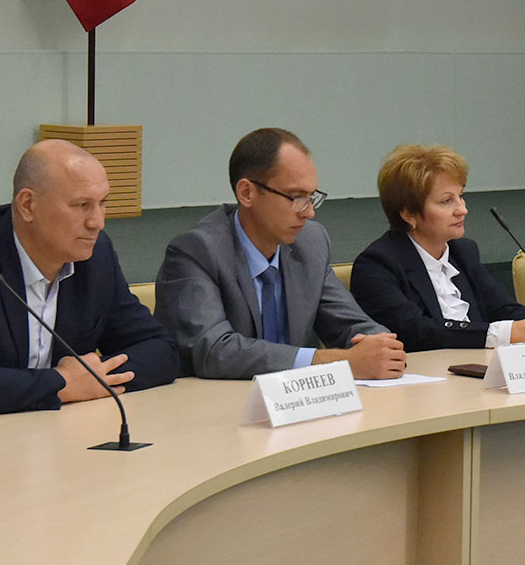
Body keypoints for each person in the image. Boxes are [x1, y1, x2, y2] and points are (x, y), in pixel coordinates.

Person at [0, 140, 176, 426]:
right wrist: (62, 384)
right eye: (82, 205)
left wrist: (91, 380)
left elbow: (160, 349)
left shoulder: (95, 257)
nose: (97, 222)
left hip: (47, 432)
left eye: (102, 203)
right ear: (28, 205)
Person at [156, 128, 405, 379]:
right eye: (296, 197)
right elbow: (214, 351)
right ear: (247, 193)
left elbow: (350, 324)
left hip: (298, 398)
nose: (309, 212)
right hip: (213, 399)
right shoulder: (197, 251)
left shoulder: (311, 243)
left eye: (311, 197)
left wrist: (381, 346)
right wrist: (334, 361)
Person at [350, 144, 525, 351]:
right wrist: (509, 333)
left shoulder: (463, 252)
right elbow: (418, 333)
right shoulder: (376, 265)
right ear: (409, 214)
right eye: (446, 201)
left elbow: (503, 310)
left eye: (460, 196)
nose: (462, 209)